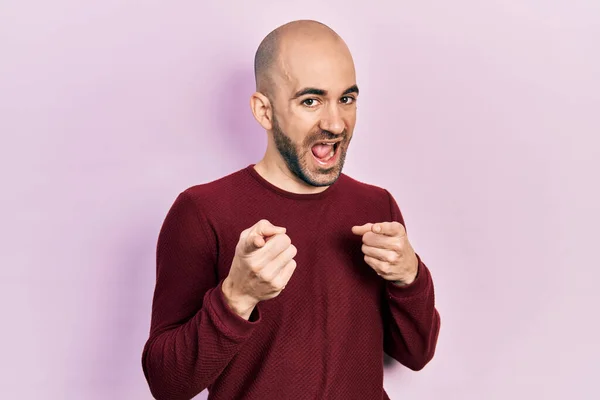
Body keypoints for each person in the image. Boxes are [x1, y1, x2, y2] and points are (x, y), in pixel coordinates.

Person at [141, 19, 441, 400]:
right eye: (310, 101)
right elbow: (167, 384)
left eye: (346, 99)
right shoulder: (202, 211)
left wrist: (410, 278)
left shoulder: (376, 205)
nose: (335, 123)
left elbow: (415, 354)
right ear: (264, 111)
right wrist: (237, 296)